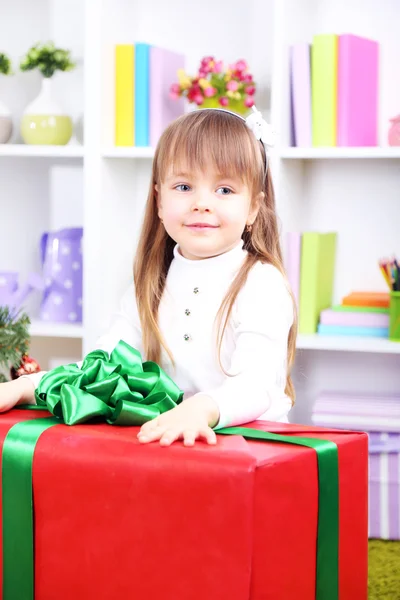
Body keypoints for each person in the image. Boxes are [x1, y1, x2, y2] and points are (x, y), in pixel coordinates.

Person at [0, 107, 297, 447]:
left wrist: (200, 410)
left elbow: (255, 385)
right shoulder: (152, 284)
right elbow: (105, 365)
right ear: (159, 199)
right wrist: (28, 386)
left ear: (254, 208)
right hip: (174, 448)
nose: (201, 203)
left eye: (225, 190)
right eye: (184, 186)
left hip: (252, 450)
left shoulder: (261, 284)